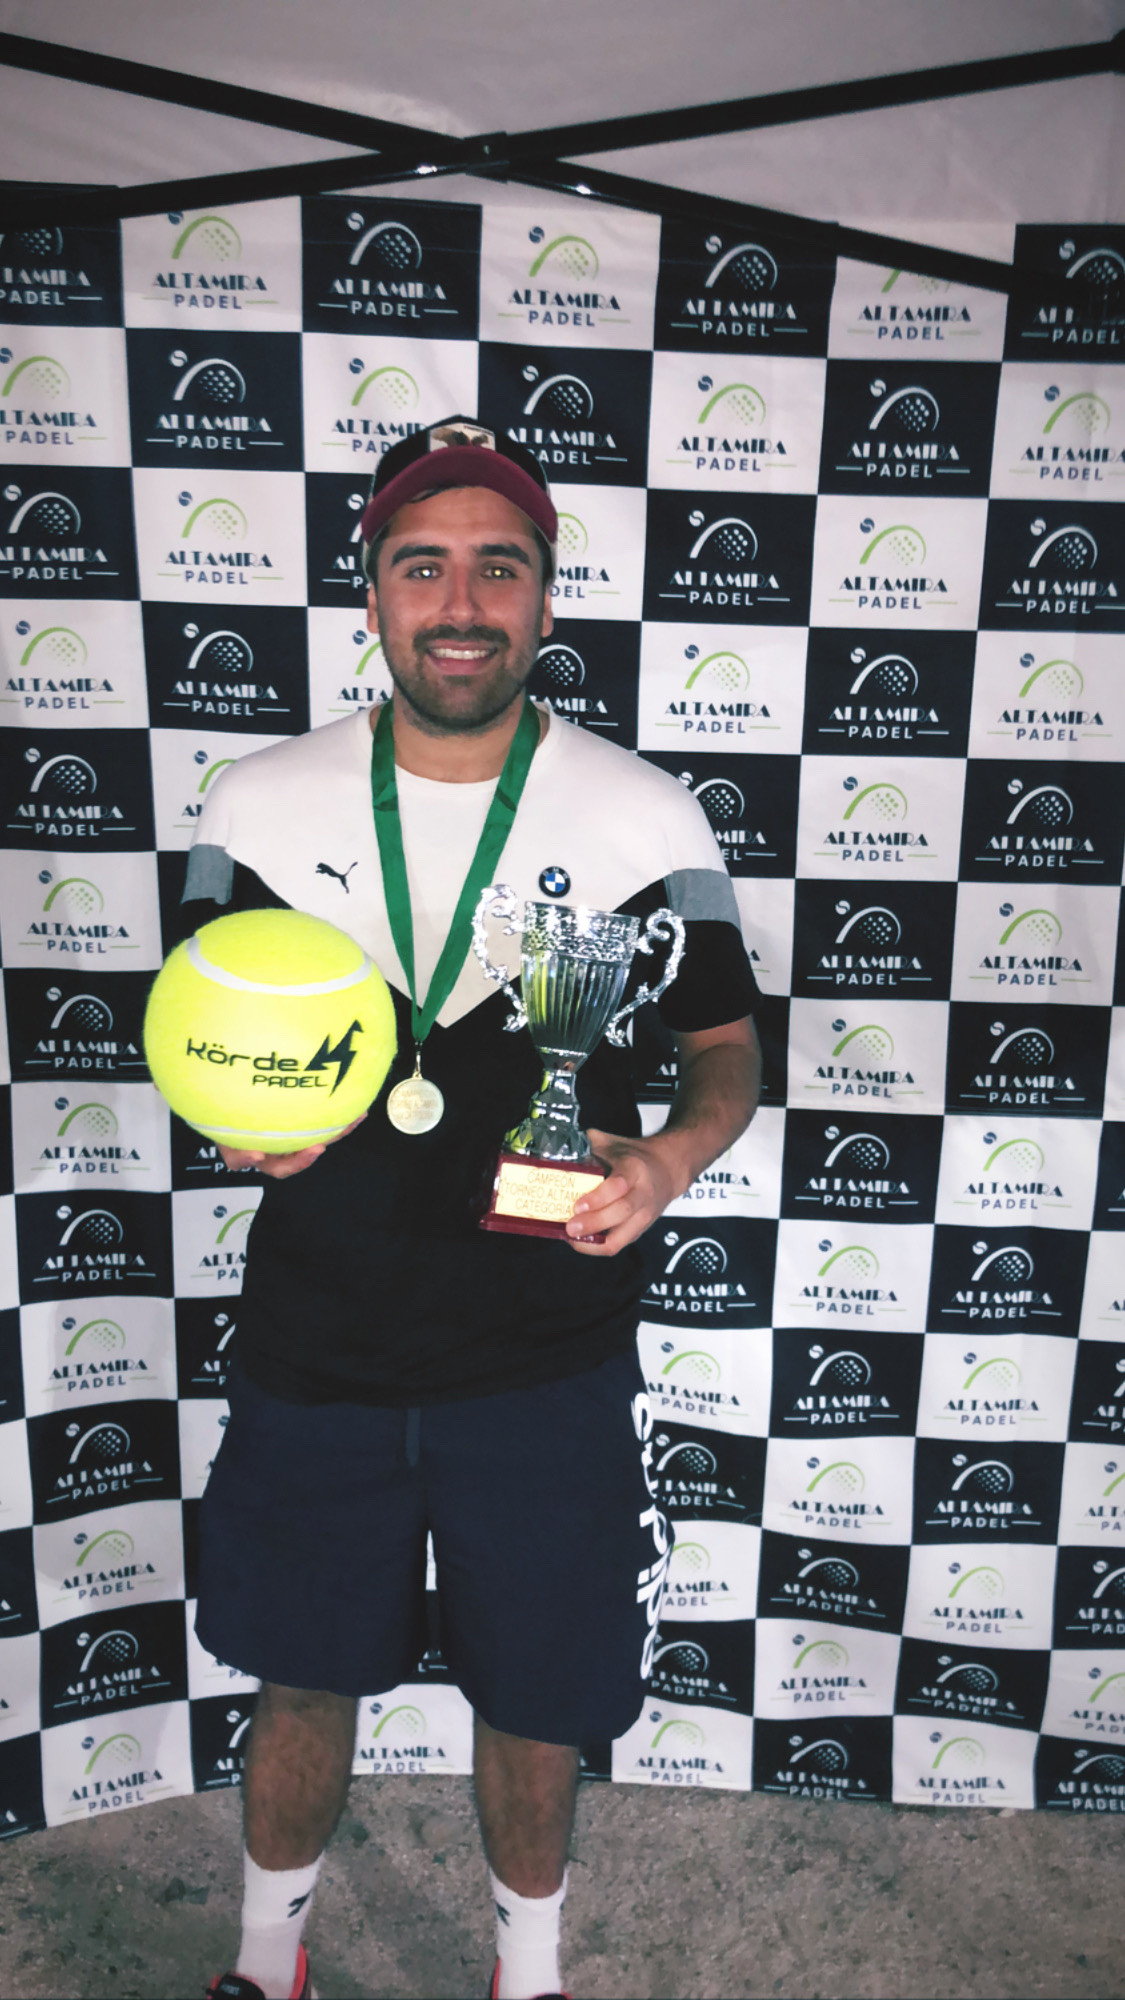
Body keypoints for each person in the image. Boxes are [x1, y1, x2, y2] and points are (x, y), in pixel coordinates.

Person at [184, 417, 761, 2000]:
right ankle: (266, 1967)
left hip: (543, 1354)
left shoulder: (645, 816)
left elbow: (724, 1048)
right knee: (303, 1681)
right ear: (371, 593)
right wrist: (235, 1120)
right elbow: (200, 1031)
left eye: (497, 568)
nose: (459, 603)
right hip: (317, 1346)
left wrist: (669, 1161)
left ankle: (530, 1977)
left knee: (535, 1700)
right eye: (421, 565)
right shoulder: (255, 803)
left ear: (545, 599)